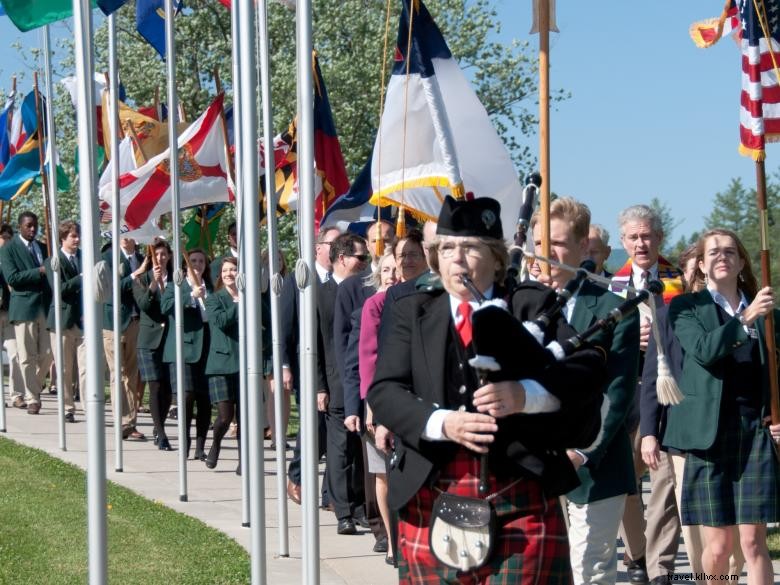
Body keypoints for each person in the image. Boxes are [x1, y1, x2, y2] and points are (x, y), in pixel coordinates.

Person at [368, 196, 605, 583]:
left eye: (470, 247)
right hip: (431, 494)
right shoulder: (411, 312)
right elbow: (385, 391)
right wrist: (442, 423)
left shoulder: (530, 305)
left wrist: (525, 396)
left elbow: (588, 370)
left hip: (519, 497)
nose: (456, 258)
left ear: (496, 258)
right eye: (447, 248)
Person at [531, 198, 639, 585]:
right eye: (540, 243)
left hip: (594, 466)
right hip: (531, 466)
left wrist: (580, 451)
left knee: (588, 571)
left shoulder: (615, 309)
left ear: (581, 248)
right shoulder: (518, 306)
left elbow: (619, 391)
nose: (548, 254)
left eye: (558, 244)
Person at [663, 229, 780, 585]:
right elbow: (703, 350)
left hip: (755, 430)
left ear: (742, 262)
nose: (722, 257)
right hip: (709, 434)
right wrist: (744, 321)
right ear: (701, 264)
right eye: (712, 252)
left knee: (753, 542)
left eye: (730, 251)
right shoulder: (688, 307)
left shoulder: (768, 314)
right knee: (719, 546)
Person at [611, 204, 683, 584]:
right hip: (629, 391)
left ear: (659, 239)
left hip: (668, 395)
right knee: (626, 482)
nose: (641, 243)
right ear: (623, 241)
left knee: (664, 485)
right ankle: (637, 554)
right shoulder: (610, 286)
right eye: (633, 237)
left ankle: (660, 570)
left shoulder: (682, 281)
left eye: (647, 236)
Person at [285, 226, 341, 506]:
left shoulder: (343, 281)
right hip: (306, 366)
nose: (337, 249)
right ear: (318, 247)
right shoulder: (298, 281)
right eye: (333, 243)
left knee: (334, 433)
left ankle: (329, 492)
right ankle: (296, 476)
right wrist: (284, 364)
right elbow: (286, 327)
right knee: (314, 428)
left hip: (334, 367)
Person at [320, 233, 371, 535]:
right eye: (361, 258)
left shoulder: (367, 289)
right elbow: (315, 342)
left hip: (362, 383)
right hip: (335, 382)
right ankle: (343, 512)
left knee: (359, 451)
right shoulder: (321, 292)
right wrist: (319, 386)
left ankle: (361, 506)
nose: (366, 263)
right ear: (342, 258)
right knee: (339, 451)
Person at [161, 248, 213, 460]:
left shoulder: (211, 287)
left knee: (205, 400)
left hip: (208, 350)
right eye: (193, 260)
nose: (197, 264)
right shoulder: (177, 285)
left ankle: (201, 446)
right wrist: (191, 296)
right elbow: (166, 306)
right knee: (186, 397)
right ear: (185, 265)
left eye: (201, 261)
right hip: (184, 349)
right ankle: (185, 441)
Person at [1, 211, 52, 415]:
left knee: (48, 353)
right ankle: (32, 397)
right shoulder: (9, 249)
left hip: (44, 306)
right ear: (20, 226)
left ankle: (35, 385)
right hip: (24, 307)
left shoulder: (42, 247)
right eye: (29, 225)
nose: (33, 229)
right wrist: (39, 271)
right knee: (26, 356)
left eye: (35, 225)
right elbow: (12, 278)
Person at [132, 238, 174, 451]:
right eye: (157, 254)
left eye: (164, 254)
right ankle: (162, 433)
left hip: (169, 339)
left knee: (167, 388)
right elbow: (144, 305)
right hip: (149, 340)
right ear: (151, 257)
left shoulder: (177, 278)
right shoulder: (140, 279)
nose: (161, 258)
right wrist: (153, 284)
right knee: (155, 385)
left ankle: (160, 427)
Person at [44, 221, 87, 423]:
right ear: (63, 238)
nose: (77, 239)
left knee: (86, 368)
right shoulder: (53, 261)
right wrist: (80, 278)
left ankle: (89, 407)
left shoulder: (84, 258)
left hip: (83, 321)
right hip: (62, 321)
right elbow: (59, 289)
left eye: (78, 236)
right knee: (64, 368)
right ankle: (67, 408)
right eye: (73, 236)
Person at [103, 236, 145, 440]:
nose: (129, 237)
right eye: (125, 232)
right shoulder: (108, 257)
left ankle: (130, 421)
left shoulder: (142, 257)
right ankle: (122, 421)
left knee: (132, 374)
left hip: (136, 322)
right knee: (117, 374)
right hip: (114, 323)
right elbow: (111, 289)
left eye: (133, 232)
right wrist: (136, 274)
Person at [204, 256, 240, 469]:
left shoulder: (250, 297)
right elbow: (220, 321)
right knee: (225, 417)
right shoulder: (214, 299)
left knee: (245, 417)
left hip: (244, 364)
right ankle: (216, 443)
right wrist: (238, 304)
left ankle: (243, 460)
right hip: (221, 364)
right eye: (226, 270)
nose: (229, 274)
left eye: (233, 269)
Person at [0, 223, 24, 409]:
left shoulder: (13, 258)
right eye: (3, 238)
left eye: (9, 238)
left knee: (16, 354)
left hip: (10, 312)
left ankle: (17, 395)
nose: (6, 242)